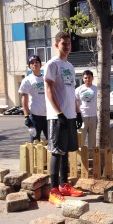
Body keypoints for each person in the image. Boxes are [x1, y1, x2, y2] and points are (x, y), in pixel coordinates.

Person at [44, 32, 83, 207]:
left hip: (70, 115)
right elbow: (49, 90)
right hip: (57, 116)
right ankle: (53, 192)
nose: (66, 46)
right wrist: (59, 113)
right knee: (57, 152)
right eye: (63, 43)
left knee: (66, 151)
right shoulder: (52, 65)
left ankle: (64, 185)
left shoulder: (70, 66)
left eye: (68, 43)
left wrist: (77, 111)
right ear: (56, 45)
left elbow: (71, 92)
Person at [18, 55, 47, 143]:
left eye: (37, 62)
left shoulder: (46, 78)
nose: (35, 64)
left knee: (51, 142)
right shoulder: (27, 80)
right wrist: (26, 116)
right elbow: (24, 98)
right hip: (35, 117)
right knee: (35, 142)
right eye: (32, 63)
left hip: (48, 116)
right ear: (29, 66)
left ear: (40, 64)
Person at [75, 70, 97, 149]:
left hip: (93, 116)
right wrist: (77, 114)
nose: (87, 79)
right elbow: (75, 102)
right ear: (83, 79)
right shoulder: (78, 89)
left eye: (89, 77)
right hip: (82, 116)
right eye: (85, 78)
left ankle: (91, 157)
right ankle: (80, 157)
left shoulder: (96, 89)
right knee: (81, 138)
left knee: (92, 139)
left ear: (92, 78)